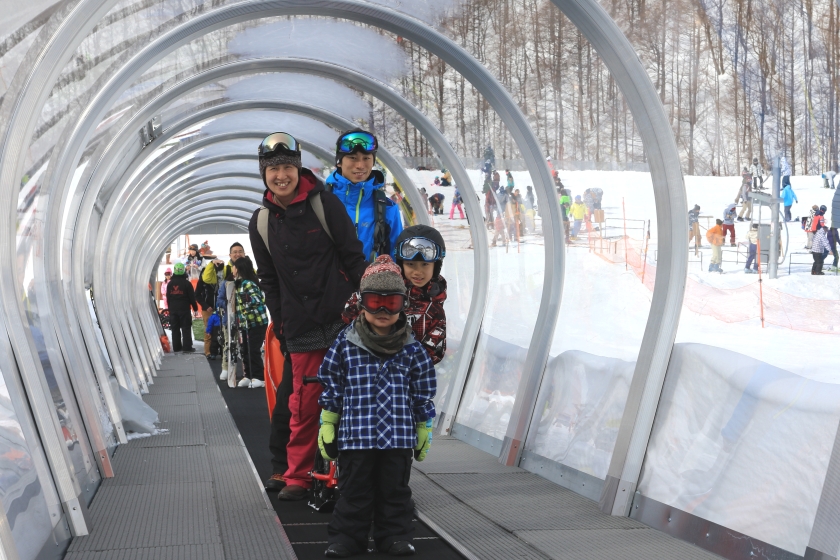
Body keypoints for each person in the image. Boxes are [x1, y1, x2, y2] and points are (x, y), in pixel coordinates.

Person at [248, 132, 368, 501]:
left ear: (298, 169)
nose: (281, 175)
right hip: (300, 324)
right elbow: (268, 278)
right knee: (303, 401)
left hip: (342, 317)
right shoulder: (262, 222)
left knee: (354, 396)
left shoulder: (325, 204)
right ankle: (297, 475)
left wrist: (368, 308)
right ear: (264, 175)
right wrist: (281, 323)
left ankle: (355, 470)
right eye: (273, 170)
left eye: (287, 167)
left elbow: (353, 255)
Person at [317, 256, 436, 558]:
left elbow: (422, 390)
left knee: (395, 492)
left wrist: (423, 425)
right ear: (361, 304)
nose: (382, 310)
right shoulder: (345, 345)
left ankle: (394, 536)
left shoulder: (412, 349)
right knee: (353, 491)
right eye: (374, 301)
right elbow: (332, 385)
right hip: (356, 437)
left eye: (392, 303)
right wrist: (328, 422)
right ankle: (347, 538)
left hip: (397, 437)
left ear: (403, 305)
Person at [344, 225, 447, 365]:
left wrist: (407, 365)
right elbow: (348, 314)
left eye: (425, 265)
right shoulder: (388, 289)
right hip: (369, 365)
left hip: (406, 375)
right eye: (410, 264)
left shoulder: (434, 307)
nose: (418, 272)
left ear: (436, 266)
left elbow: (435, 351)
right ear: (401, 264)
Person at [325, 130, 403, 262]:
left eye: (366, 158)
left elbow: (397, 259)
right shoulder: (320, 201)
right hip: (329, 281)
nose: (360, 165)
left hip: (373, 282)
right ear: (339, 161)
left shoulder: (388, 209)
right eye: (353, 158)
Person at [231, 256, 267, 389]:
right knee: (245, 349)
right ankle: (249, 375)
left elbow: (258, 301)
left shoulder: (248, 283)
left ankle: (259, 377)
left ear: (239, 268)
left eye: (234, 266)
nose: (232, 269)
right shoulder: (239, 283)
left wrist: (247, 300)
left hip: (256, 323)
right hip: (246, 324)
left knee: (253, 349)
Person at [166, 262, 198, 352]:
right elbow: (192, 298)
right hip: (184, 309)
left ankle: (176, 347)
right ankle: (187, 347)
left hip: (173, 309)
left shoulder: (170, 284)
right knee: (186, 328)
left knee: (175, 329)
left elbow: (168, 297)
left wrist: (170, 309)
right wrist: (195, 309)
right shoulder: (187, 284)